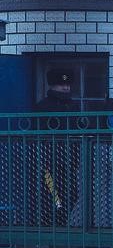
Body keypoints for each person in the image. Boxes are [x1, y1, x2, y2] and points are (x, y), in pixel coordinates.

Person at [33, 68, 78, 226]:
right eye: (61, 84)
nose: (66, 88)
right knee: (51, 193)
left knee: (71, 193)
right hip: (48, 160)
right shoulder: (43, 106)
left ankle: (60, 222)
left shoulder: (73, 105)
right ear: (52, 86)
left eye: (67, 84)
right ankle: (50, 225)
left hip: (70, 159)